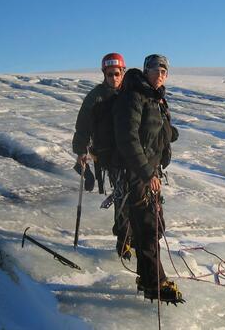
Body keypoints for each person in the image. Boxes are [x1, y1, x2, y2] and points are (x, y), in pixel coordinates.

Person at [113, 54, 183, 304]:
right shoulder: (134, 96)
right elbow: (128, 138)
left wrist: (169, 133)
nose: (161, 73)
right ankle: (154, 283)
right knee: (147, 228)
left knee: (154, 226)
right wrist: (145, 172)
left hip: (150, 172)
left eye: (165, 70)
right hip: (137, 173)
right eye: (156, 69)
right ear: (145, 70)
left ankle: (146, 276)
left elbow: (152, 131)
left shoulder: (156, 98)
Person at [71, 52, 132, 259]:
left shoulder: (131, 93)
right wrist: (81, 150)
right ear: (104, 74)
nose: (113, 78)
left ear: (123, 72)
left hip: (133, 154)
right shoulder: (95, 97)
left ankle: (136, 238)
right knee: (122, 197)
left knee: (138, 198)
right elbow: (83, 126)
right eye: (109, 74)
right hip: (110, 156)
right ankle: (123, 241)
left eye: (116, 73)